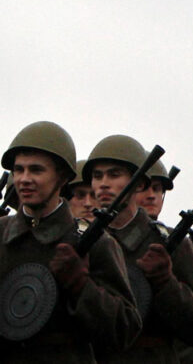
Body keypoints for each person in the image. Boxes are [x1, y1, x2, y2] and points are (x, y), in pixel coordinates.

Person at [0, 120, 142, 360]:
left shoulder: (94, 241)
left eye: (36, 170)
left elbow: (125, 328)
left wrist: (81, 285)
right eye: (19, 169)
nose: (24, 179)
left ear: (63, 177)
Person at [84, 134, 193, 362]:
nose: (104, 183)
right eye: (98, 176)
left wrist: (166, 283)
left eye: (114, 174)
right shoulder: (82, 239)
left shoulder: (167, 243)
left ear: (139, 182)